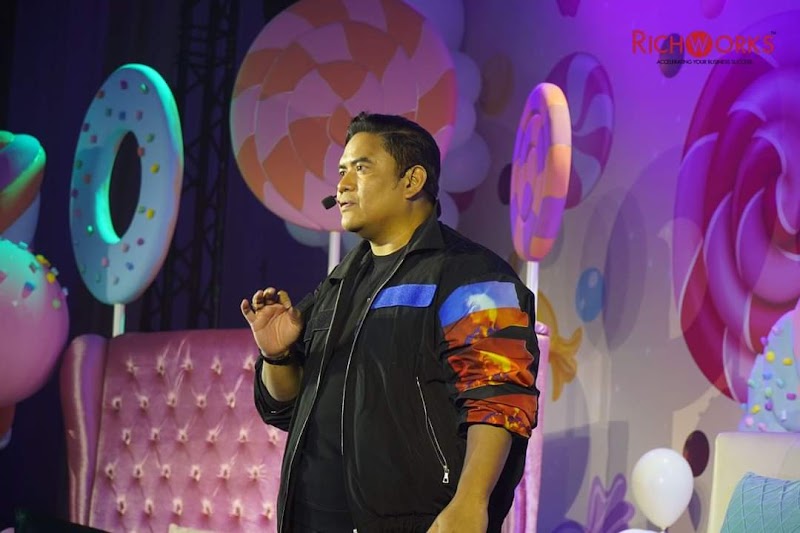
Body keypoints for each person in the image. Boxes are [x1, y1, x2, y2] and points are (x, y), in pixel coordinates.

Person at [241, 112, 540, 533]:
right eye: (341, 171)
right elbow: (285, 409)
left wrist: (471, 501)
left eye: (361, 168)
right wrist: (278, 356)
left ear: (412, 180)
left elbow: (499, 398)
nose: (342, 185)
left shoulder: (473, 276)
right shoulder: (336, 287)